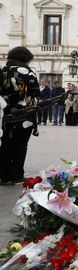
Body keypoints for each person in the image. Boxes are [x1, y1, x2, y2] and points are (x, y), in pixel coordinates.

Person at [0, 46, 40, 185]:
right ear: (26, 59)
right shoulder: (27, 72)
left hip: (4, 115)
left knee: (5, 144)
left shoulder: (4, 70)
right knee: (20, 145)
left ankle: (4, 175)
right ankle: (16, 175)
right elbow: (35, 91)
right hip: (23, 115)